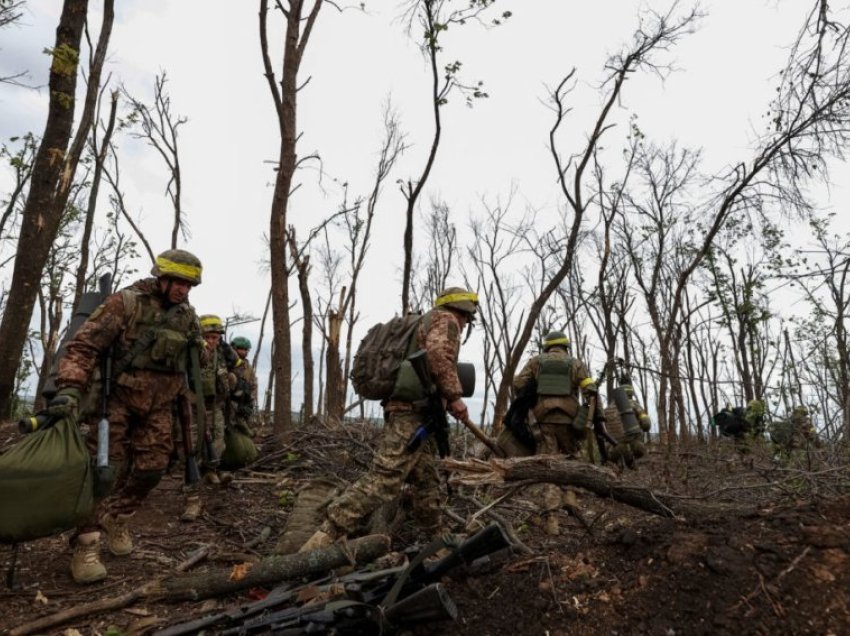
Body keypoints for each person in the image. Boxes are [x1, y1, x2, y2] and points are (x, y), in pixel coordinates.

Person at [49, 249, 204, 584]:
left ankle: (116, 517)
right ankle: (86, 544)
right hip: (115, 400)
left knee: (153, 468)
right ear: (161, 278)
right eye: (178, 282)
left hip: (159, 405)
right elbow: (84, 346)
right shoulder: (126, 303)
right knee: (104, 472)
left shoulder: (187, 316)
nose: (183, 290)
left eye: (189, 285)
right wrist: (70, 387)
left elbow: (193, 363)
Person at [299, 286, 479, 552]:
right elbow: (439, 355)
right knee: (385, 478)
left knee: (427, 480)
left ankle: (438, 540)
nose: (465, 324)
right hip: (411, 414)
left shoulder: (425, 321)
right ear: (464, 311)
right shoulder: (446, 319)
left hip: (419, 413)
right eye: (468, 319)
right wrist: (454, 396)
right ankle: (325, 535)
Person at [513, 330, 597, 535]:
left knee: (549, 465)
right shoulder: (575, 363)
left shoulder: (536, 361)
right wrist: (589, 417)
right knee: (571, 458)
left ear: (547, 346)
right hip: (569, 420)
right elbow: (590, 390)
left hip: (543, 420)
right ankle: (570, 496)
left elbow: (518, 383)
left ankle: (552, 519)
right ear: (566, 346)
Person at [180, 314, 238, 521]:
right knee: (193, 445)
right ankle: (191, 487)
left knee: (217, 441)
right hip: (194, 405)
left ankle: (211, 470)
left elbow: (231, 369)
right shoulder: (191, 354)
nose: (212, 341)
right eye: (209, 337)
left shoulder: (221, 354)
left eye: (216, 337)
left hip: (215, 404)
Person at [229, 336, 258, 434]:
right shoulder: (227, 363)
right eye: (242, 349)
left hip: (243, 403)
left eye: (246, 350)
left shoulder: (248, 368)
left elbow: (253, 386)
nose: (244, 352)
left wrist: (250, 403)